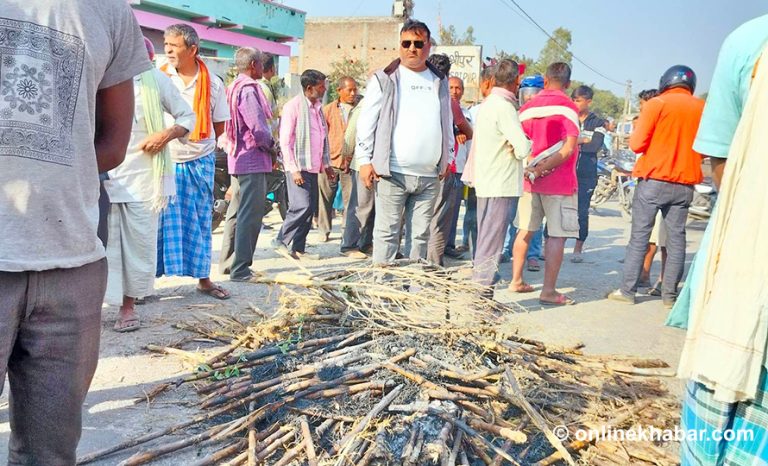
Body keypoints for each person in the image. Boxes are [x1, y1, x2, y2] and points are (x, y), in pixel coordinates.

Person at [1, 0, 150, 462]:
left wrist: (59, 176)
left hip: (73, 265)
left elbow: (112, 143)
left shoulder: (110, 12)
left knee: (50, 452)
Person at [670, 15, 768, 465]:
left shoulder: (749, 41)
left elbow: (722, 163)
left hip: (745, 275)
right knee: (671, 244)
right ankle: (657, 286)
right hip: (680, 187)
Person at [105, 37, 195, 332]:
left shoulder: (155, 80)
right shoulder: (101, 76)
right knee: (100, 244)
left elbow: (187, 116)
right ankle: (91, 307)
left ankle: (128, 307)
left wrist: (165, 135)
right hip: (102, 174)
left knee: (138, 243)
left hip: (142, 177)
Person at [356, 19, 455, 265]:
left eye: (418, 43)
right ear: (399, 45)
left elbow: (447, 121)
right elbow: (366, 123)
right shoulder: (385, 78)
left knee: (420, 237)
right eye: (406, 43)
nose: (412, 48)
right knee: (387, 235)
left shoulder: (439, 80)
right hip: (392, 174)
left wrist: (448, 158)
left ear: (428, 46)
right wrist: (364, 161)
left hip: (429, 177)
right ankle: (383, 293)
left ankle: (413, 291)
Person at [607, 65, 705, 308]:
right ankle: (669, 296)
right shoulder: (703, 108)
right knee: (676, 239)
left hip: (653, 181)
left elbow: (637, 144)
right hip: (684, 184)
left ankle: (628, 291)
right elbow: (706, 148)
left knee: (640, 236)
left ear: (666, 82)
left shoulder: (656, 104)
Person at [157, 24, 231, 299]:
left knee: (200, 221)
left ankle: (203, 280)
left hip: (199, 161)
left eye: (173, 46)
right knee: (156, 222)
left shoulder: (213, 83)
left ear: (192, 49)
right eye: (166, 45)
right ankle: (144, 283)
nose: (167, 51)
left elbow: (219, 125)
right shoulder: (157, 78)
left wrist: (196, 141)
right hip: (162, 160)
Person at [511, 63, 580, 306]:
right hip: (559, 183)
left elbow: (516, 144)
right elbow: (569, 148)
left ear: (545, 79)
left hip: (528, 181)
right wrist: (544, 168)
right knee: (556, 236)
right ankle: (548, 290)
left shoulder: (527, 108)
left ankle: (516, 280)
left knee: (525, 231)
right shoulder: (569, 109)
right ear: (568, 83)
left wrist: (533, 168)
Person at [468, 59, 531, 291]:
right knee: (491, 245)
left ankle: (480, 295)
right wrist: (526, 143)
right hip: (500, 184)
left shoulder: (489, 103)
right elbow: (523, 148)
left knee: (486, 241)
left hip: (488, 182)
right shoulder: (504, 107)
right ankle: (480, 300)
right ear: (517, 82)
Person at [218, 47, 274, 282]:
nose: (263, 68)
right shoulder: (249, 89)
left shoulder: (232, 87)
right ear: (253, 65)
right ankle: (241, 269)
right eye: (261, 63)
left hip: (236, 156)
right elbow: (258, 128)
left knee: (235, 212)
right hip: (252, 157)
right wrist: (272, 146)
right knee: (250, 214)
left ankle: (228, 264)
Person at [276, 69, 336, 260]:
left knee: (309, 209)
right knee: (301, 205)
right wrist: (293, 170)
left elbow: (322, 137)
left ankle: (298, 249)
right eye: (321, 86)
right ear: (309, 88)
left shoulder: (318, 107)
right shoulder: (292, 107)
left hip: (313, 166)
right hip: (298, 168)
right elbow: (285, 141)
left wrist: (326, 165)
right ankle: (280, 240)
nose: (324, 89)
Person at [426, 53, 473, 265]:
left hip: (416, 165)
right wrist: (456, 131)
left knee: (418, 217)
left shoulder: (414, 93)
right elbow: (468, 131)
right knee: (439, 218)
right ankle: (434, 265)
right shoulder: (447, 99)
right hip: (444, 167)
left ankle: (413, 261)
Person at [501, 74, 545, 271]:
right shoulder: (515, 114)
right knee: (513, 215)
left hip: (537, 171)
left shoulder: (545, 116)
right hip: (515, 172)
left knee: (533, 219)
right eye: (526, 93)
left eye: (533, 93)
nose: (529, 97)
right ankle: (508, 249)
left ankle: (533, 255)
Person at [319, 76, 360, 245]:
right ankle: (324, 230)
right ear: (339, 91)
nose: (352, 93)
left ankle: (347, 232)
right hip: (331, 160)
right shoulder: (328, 110)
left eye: (355, 90)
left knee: (351, 201)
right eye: (349, 90)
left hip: (351, 162)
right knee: (325, 198)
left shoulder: (360, 109)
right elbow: (321, 136)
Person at [634, 89, 667, 293]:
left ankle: (653, 278)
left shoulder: (658, 125)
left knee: (658, 236)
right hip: (648, 180)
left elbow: (636, 145)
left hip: (656, 183)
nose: (641, 109)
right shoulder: (646, 122)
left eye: (642, 105)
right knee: (651, 235)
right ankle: (646, 276)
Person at [570, 85, 606, 263]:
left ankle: (578, 248)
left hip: (586, 174)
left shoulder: (598, 123)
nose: (575, 103)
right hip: (566, 172)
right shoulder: (568, 118)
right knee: (557, 209)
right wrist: (583, 139)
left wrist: (573, 141)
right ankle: (551, 246)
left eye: (578, 100)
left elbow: (595, 145)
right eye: (573, 100)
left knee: (582, 212)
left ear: (588, 101)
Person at [445, 76, 473, 259]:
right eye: (451, 87)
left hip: (460, 169)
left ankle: (448, 245)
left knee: (454, 210)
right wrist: (456, 131)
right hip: (443, 168)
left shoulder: (466, 114)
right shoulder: (441, 110)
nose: (455, 91)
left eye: (458, 88)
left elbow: (471, 137)